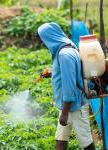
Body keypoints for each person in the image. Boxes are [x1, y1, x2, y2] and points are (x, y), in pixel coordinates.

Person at [37, 22, 95, 150]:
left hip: (73, 107)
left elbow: (69, 86)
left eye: (43, 39)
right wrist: (53, 73)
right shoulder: (68, 45)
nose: (43, 43)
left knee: (86, 143)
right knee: (61, 138)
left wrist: (64, 112)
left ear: (50, 37)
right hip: (67, 106)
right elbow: (72, 72)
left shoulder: (64, 55)